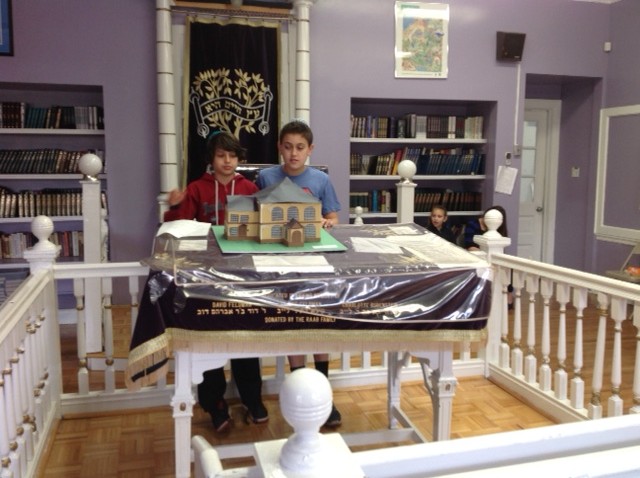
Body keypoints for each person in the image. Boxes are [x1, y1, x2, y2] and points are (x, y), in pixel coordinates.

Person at [164, 131, 268, 432]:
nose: (227, 161)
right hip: (206, 275)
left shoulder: (249, 189)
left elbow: (263, 226)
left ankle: (252, 398)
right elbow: (178, 228)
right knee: (209, 339)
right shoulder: (196, 188)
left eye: (232, 156)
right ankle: (215, 404)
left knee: (247, 335)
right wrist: (175, 207)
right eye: (221, 155)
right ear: (211, 158)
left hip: (243, 273)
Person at [256, 119, 343, 427]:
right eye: (288, 147)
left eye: (300, 148)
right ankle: (299, 395)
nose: (294, 153)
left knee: (318, 326)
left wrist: (328, 222)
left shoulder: (320, 180)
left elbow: (332, 217)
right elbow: (256, 214)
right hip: (281, 263)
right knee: (293, 323)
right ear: (280, 147)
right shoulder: (266, 177)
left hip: (314, 263)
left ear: (310, 150)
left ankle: (324, 396)